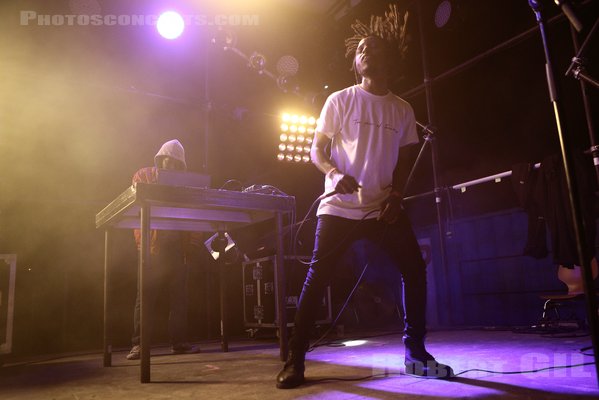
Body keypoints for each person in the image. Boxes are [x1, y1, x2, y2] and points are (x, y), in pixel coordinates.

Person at [276, 5, 453, 389]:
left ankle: (416, 354)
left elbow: (405, 162)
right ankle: (295, 360)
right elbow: (316, 151)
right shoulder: (340, 100)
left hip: (381, 210)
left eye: (371, 48)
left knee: (414, 271)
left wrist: (398, 196)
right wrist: (335, 174)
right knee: (315, 278)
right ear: (356, 65)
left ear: (387, 57)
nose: (364, 53)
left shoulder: (403, 109)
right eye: (359, 51)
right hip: (338, 208)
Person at [126, 139, 200, 360]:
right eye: (170, 160)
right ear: (161, 158)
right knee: (145, 297)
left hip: (178, 249)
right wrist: (143, 245)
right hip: (152, 248)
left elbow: (196, 213)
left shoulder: (186, 184)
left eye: (178, 164)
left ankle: (179, 343)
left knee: (179, 298)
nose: (173, 166)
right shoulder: (144, 175)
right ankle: (139, 345)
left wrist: (194, 244)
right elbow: (136, 205)